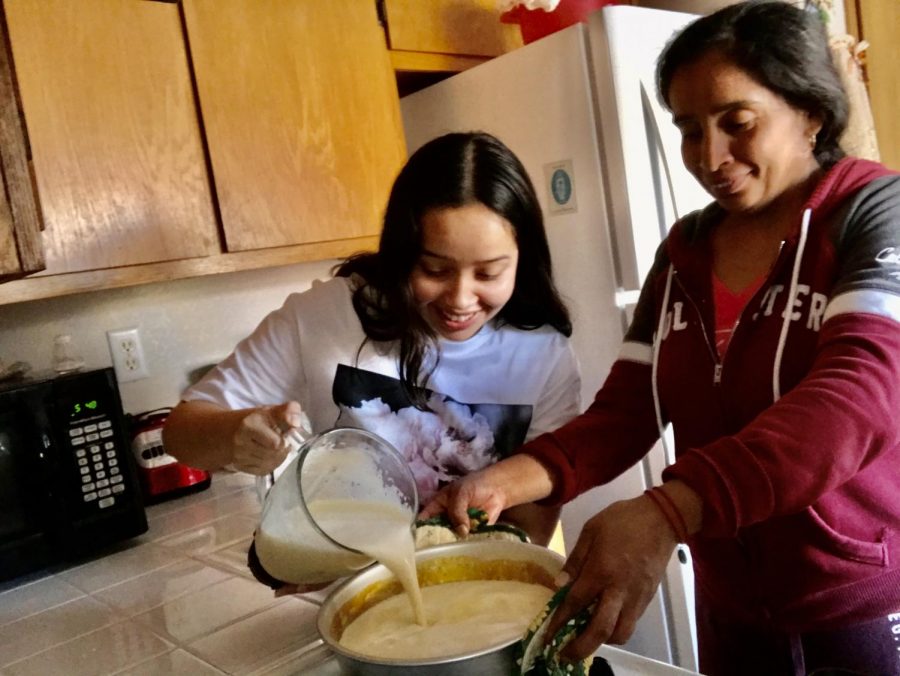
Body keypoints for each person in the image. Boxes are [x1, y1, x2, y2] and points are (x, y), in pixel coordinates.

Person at [420, 3, 900, 675]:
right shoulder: (684, 255)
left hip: (852, 603)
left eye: (737, 123)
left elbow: (858, 399)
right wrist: (510, 479)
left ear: (810, 111)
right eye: (688, 128)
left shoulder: (875, 214)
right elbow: (626, 412)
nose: (709, 156)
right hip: (730, 604)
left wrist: (670, 510)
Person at [163, 131, 582, 554]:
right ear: (402, 253)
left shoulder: (543, 356)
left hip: (486, 591)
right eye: (435, 270)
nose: (459, 298)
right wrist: (236, 432)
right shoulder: (325, 316)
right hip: (353, 589)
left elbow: (530, 533)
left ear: (522, 261)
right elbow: (180, 434)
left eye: (489, 274)